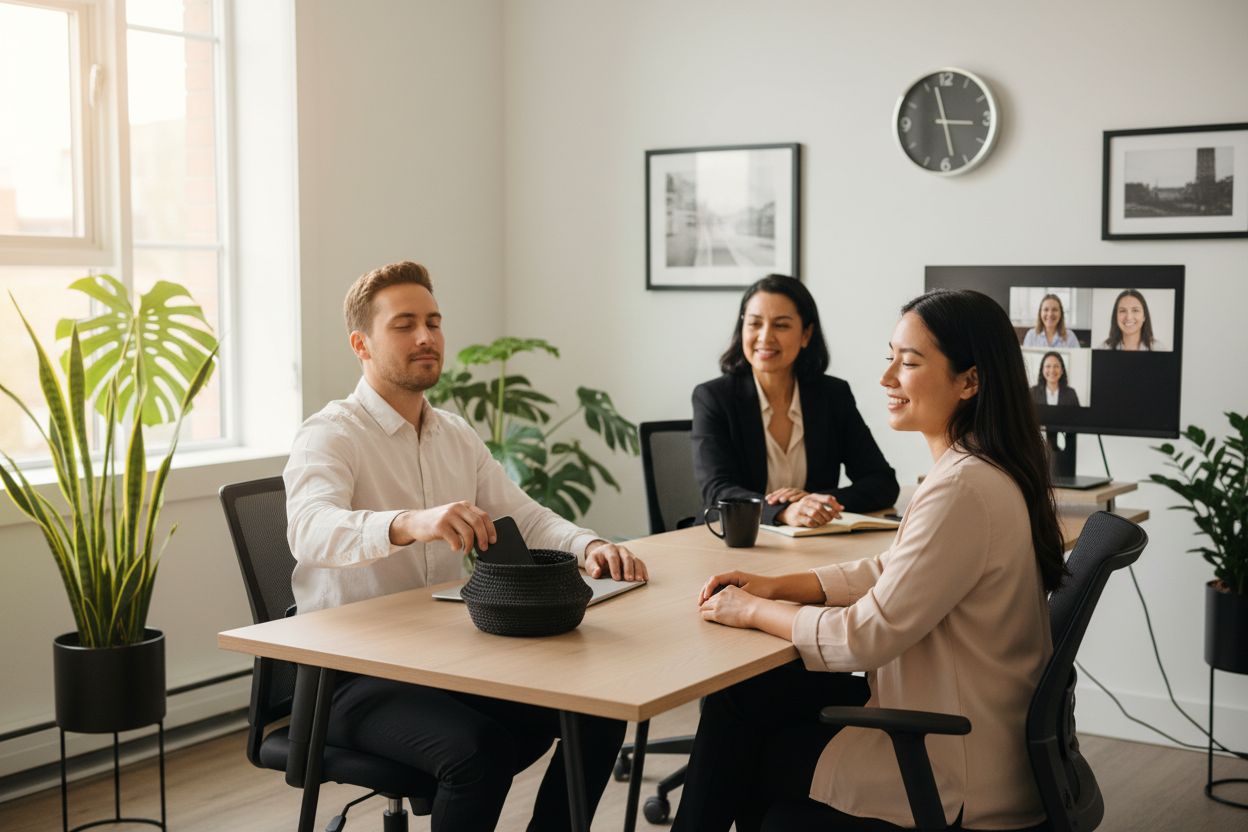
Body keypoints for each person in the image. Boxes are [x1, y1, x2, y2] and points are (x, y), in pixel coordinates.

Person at [673, 289, 1064, 832]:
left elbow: (863, 637)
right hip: (968, 726)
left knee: (745, 751)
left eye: (908, 362)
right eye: (891, 357)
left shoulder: (962, 488)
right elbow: (892, 570)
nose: (886, 379)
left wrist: (750, 611)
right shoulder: (976, 469)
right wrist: (778, 586)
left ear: (969, 382)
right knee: (745, 700)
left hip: (953, 763)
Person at [284, 261, 648, 832]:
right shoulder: (331, 433)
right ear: (362, 344)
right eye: (404, 325)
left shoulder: (454, 433)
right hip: (347, 679)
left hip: (446, 662)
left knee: (598, 713)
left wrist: (588, 544)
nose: (426, 337)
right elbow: (309, 527)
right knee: (476, 754)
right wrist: (408, 522)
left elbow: (521, 515)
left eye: (433, 321)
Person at [692, 274, 899, 530]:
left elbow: (882, 482)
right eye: (755, 324)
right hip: (736, 539)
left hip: (809, 543)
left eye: (781, 325)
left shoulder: (832, 395)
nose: (765, 337)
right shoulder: (713, 397)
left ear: (806, 334)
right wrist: (782, 512)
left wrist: (817, 503)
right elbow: (717, 490)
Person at [1100, 288, 1166, 351]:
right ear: (1115, 316)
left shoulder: (1158, 348)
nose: (1129, 317)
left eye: (1135, 310)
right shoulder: (1104, 348)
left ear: (1144, 316)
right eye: (1122, 311)